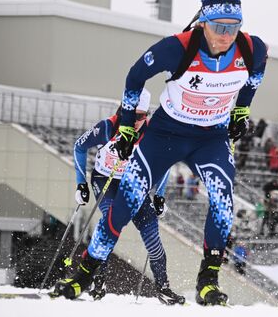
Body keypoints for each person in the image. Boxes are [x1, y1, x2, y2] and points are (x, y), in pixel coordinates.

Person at [53, 0, 268, 306]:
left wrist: (241, 110)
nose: (227, 35)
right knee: (126, 201)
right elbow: (134, 76)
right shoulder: (176, 48)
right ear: (203, 23)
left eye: (234, 27)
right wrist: (126, 128)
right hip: (166, 134)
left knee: (224, 202)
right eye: (219, 27)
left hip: (211, 137)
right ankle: (85, 272)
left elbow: (254, 78)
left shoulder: (253, 49)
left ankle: (207, 280)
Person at [57, 88, 184, 304]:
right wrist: (81, 184)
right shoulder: (108, 127)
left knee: (152, 234)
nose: (135, 121)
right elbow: (79, 146)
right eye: (131, 115)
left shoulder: (153, 134)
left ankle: (163, 287)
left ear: (147, 116)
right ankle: (98, 279)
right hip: (105, 179)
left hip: (134, 183)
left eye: (140, 117)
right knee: (109, 223)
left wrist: (159, 196)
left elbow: (165, 164)